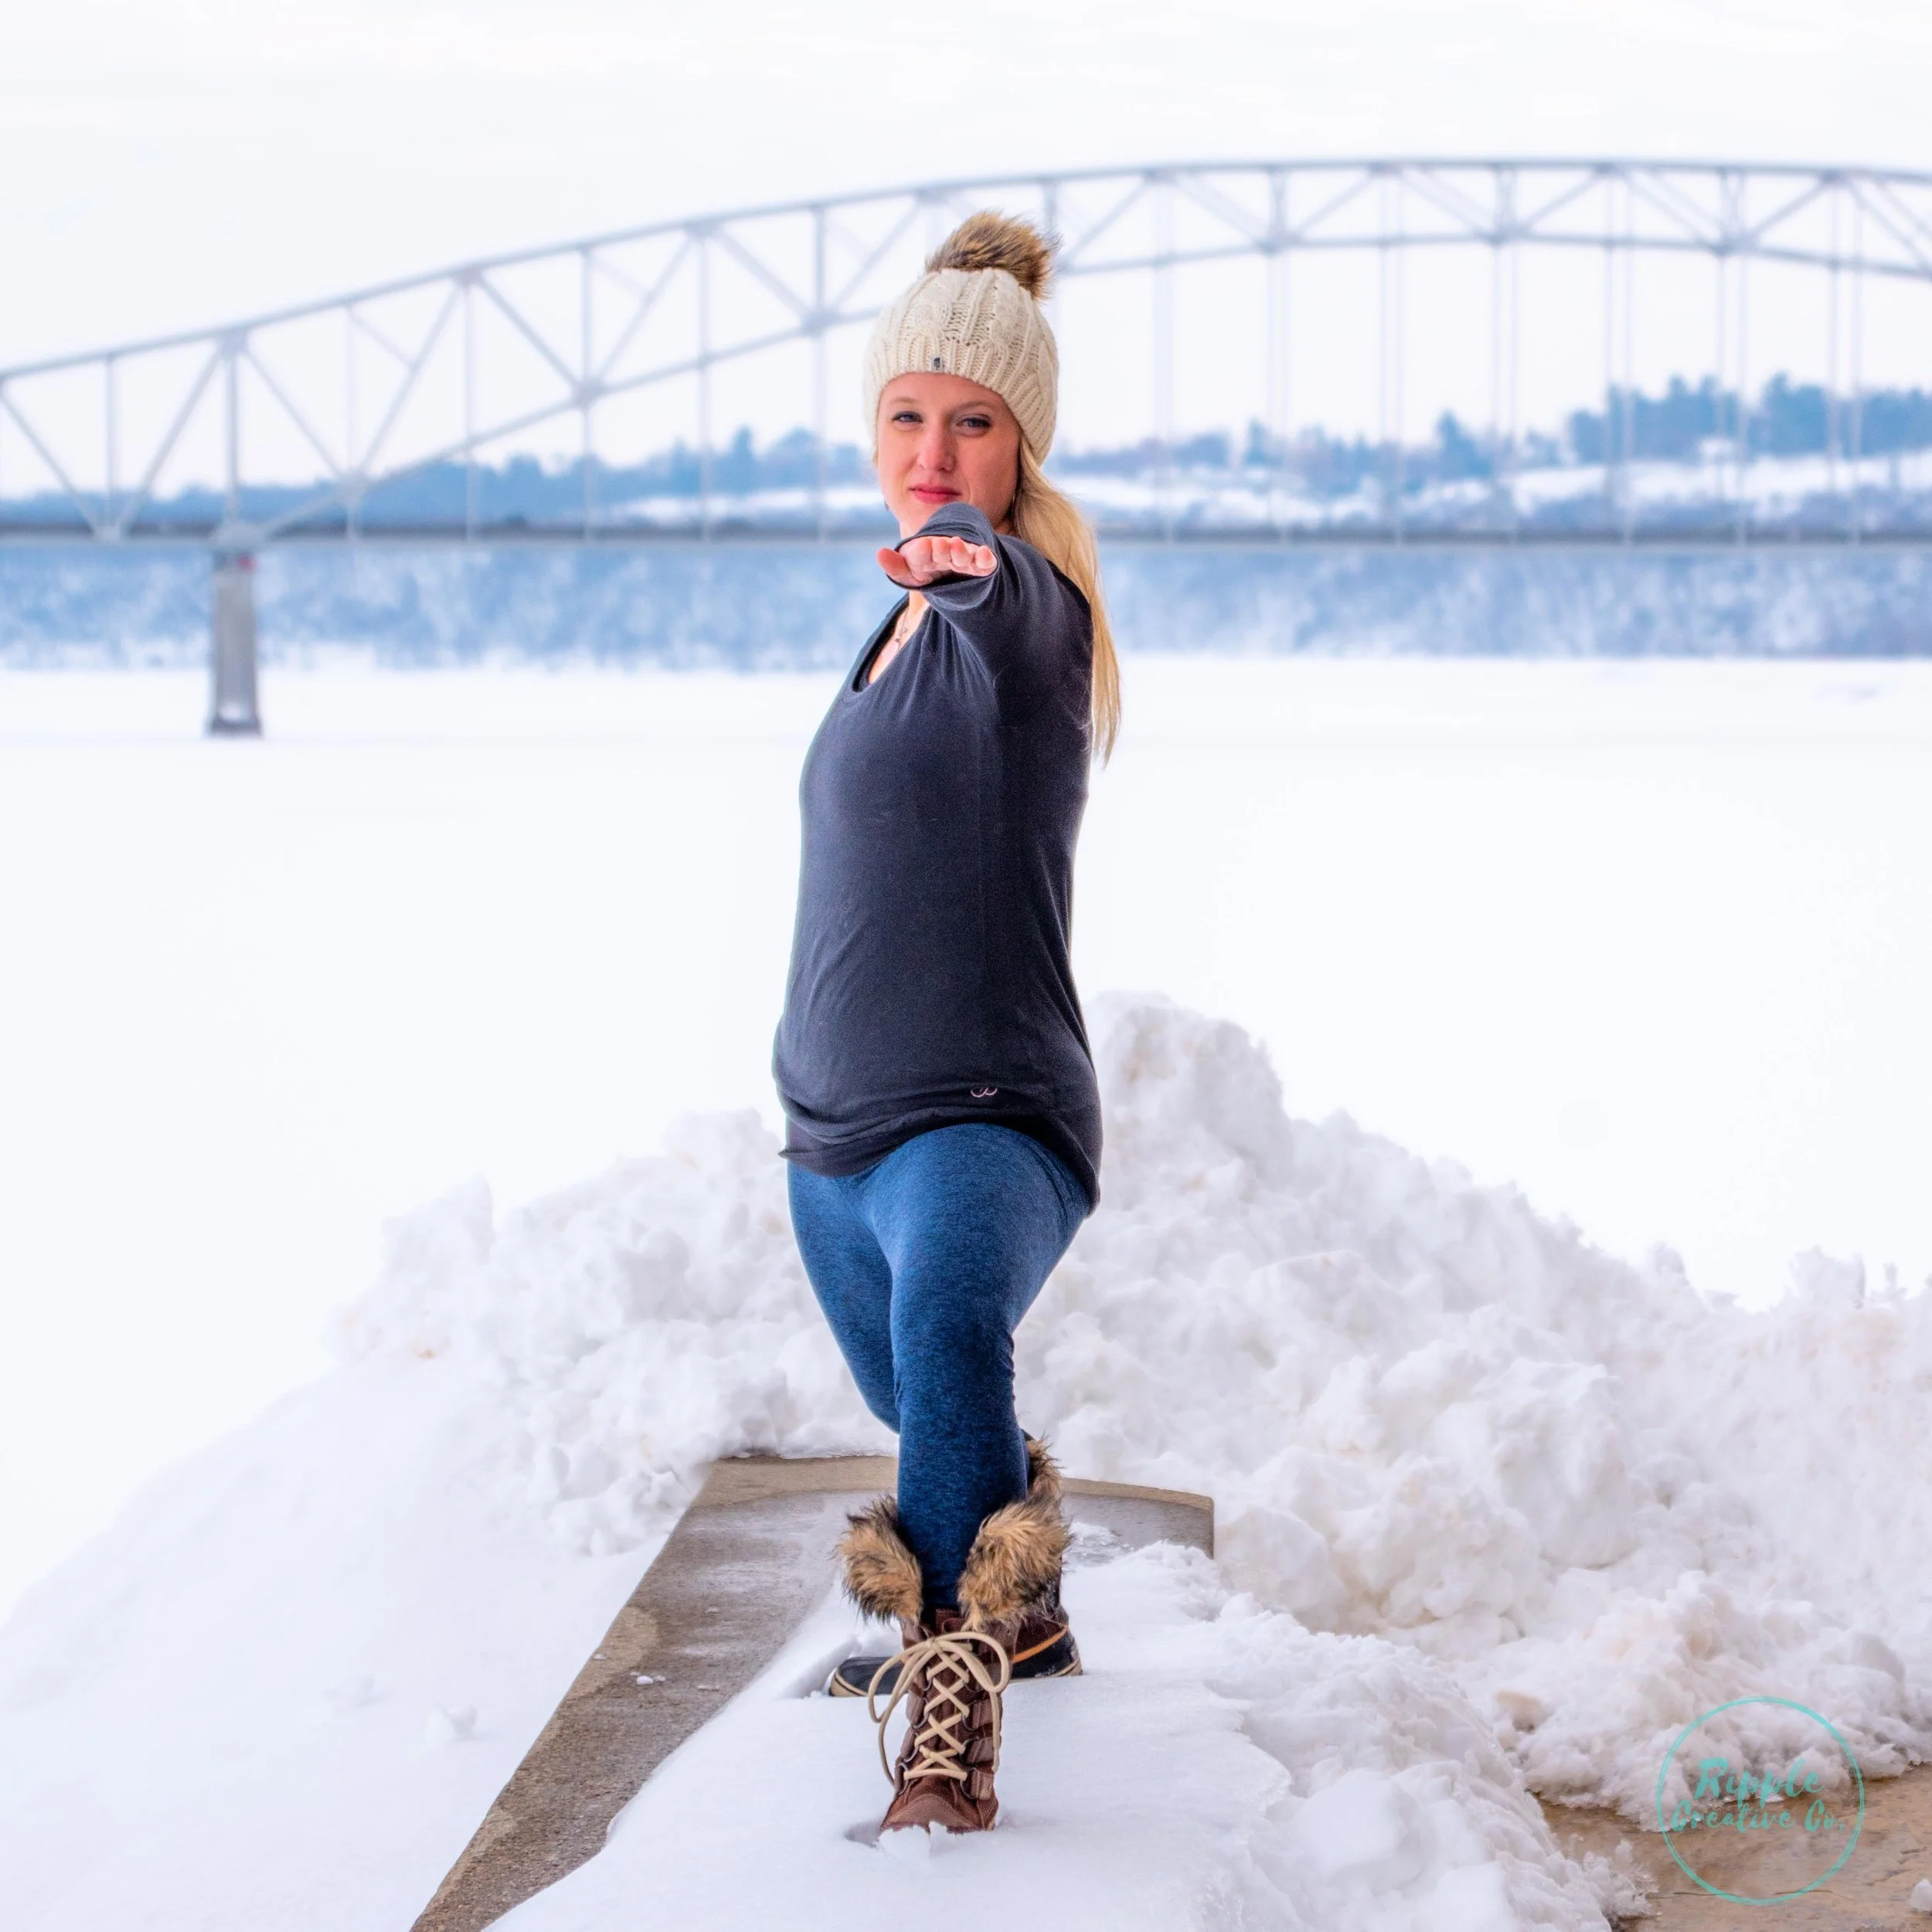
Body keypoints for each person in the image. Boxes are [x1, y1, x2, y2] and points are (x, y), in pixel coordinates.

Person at [770, 210, 1121, 1835]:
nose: (933, 451)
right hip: (836, 1142)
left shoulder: (1020, 608)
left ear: (1017, 445)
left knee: (948, 1339)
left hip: (980, 1119)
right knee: (929, 1411)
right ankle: (1023, 1601)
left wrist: (967, 561)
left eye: (970, 422)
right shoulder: (889, 626)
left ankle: (948, 1727)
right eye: (906, 418)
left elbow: (1001, 593)